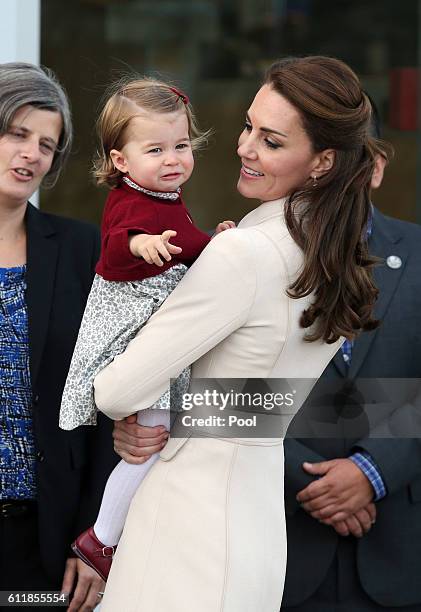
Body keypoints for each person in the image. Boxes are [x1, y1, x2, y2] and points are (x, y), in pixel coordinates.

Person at [92, 56, 386, 612]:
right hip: (251, 521)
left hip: (188, 523)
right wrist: (185, 413)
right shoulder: (330, 255)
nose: (246, 147)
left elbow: (114, 391)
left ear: (322, 161)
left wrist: (159, 416)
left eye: (271, 141)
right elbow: (274, 404)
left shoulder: (246, 253)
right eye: (249, 126)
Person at [59, 76, 234, 580]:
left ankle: (117, 535)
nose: (173, 159)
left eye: (180, 145)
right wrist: (140, 246)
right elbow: (116, 242)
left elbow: (188, 243)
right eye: (155, 149)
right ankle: (102, 538)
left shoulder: (167, 197)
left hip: (157, 335)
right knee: (153, 440)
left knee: (162, 442)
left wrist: (215, 241)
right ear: (121, 161)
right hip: (132, 334)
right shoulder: (131, 201)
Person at [280, 101, 421, 611]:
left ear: (377, 166)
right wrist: (311, 479)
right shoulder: (250, 257)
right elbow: (216, 394)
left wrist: (372, 470)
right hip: (282, 550)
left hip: (401, 550)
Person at [0, 62, 118, 612]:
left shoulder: (80, 252)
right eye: (17, 133)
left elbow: (106, 404)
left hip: (46, 538)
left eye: (46, 145)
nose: (31, 155)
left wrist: (95, 536)